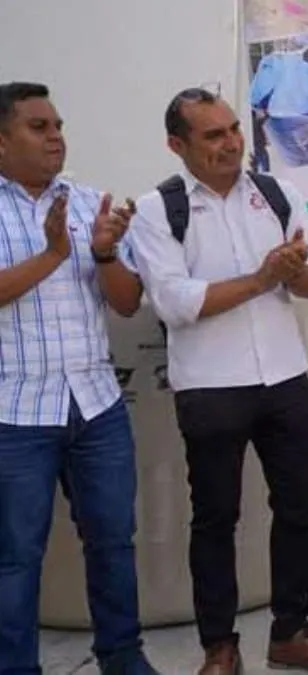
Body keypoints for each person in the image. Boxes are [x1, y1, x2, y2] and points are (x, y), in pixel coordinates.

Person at [126, 88, 308, 675]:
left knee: (300, 507)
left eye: (233, 129)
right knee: (215, 518)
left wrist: (294, 273)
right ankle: (220, 648)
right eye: (213, 135)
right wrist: (261, 278)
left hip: (285, 377)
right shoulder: (158, 210)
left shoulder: (277, 194)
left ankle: (292, 632)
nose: (232, 143)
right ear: (177, 144)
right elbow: (175, 302)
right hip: (210, 387)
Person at [0, 81, 159, 675]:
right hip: (15, 414)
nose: (56, 138)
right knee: (16, 558)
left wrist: (106, 254)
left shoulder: (90, 202)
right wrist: (51, 255)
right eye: (38, 127)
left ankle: (122, 657)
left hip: (96, 406)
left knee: (113, 543)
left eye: (59, 126)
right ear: (1, 141)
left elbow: (125, 303)